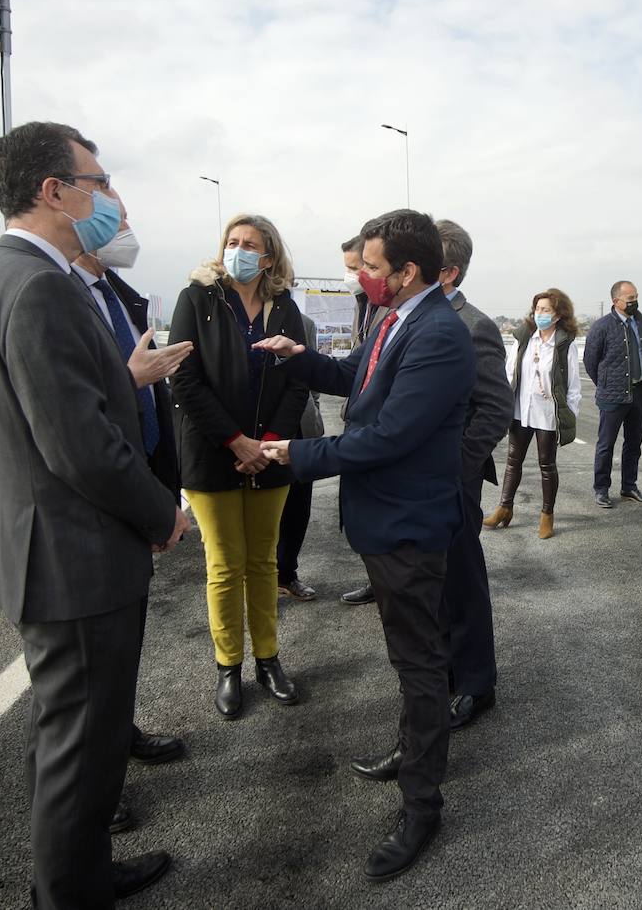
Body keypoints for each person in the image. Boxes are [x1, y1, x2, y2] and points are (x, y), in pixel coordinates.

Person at [0, 120, 186, 906]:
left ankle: (79, 872)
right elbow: (80, 447)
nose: (107, 196)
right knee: (80, 751)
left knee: (73, 741)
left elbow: (60, 412)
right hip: (76, 559)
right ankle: (69, 893)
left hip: (48, 552)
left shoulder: (1, 275)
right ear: (53, 190)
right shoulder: (41, 286)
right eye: (96, 181)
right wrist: (164, 514)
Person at [256, 209, 475, 882]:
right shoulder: (393, 316)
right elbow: (359, 376)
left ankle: (422, 805)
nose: (364, 277)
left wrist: (294, 454)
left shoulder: (438, 333)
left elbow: (387, 436)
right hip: (383, 520)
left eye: (373, 268)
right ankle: (412, 753)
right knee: (407, 654)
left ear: (408, 272)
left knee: (418, 663)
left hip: (408, 524)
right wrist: (303, 361)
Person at [72, 215, 192, 832]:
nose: (122, 229)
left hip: (136, 479)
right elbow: (78, 417)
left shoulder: (114, 293)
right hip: (95, 504)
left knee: (122, 650)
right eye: (110, 213)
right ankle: (92, 792)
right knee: (83, 681)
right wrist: (130, 379)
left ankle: (118, 737)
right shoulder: (53, 292)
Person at [169, 213, 309, 719]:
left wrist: (266, 443)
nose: (239, 250)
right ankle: (228, 666)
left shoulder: (286, 308)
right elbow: (183, 379)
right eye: (232, 242)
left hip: (269, 455)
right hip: (212, 452)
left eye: (250, 244)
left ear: (268, 256)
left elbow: (297, 381)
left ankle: (268, 659)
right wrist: (236, 442)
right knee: (224, 565)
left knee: (263, 562)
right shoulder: (198, 300)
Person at [434, 219, 514, 730]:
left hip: (452, 480)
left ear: (448, 270)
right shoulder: (398, 316)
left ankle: (475, 683)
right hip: (418, 482)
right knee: (435, 584)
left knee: (462, 581)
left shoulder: (474, 325)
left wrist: (458, 469)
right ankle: (443, 669)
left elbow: (494, 409)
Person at [485, 289, 582, 539]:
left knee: (546, 465)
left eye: (546, 310)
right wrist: (505, 402)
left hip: (548, 413)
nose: (539, 314)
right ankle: (504, 508)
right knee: (512, 461)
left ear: (558, 315)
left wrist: (568, 415)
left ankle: (546, 515)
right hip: (521, 410)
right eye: (537, 309)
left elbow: (573, 385)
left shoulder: (564, 344)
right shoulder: (524, 338)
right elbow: (510, 372)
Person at [583, 280, 642, 508]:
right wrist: (604, 384)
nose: (635, 302)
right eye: (630, 299)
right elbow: (590, 361)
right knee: (606, 444)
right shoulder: (602, 326)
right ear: (616, 301)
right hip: (613, 396)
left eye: (636, 297)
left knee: (634, 445)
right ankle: (601, 489)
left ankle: (629, 487)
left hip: (640, 393)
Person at [275, 313, 325, 601]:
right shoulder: (234, 314)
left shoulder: (303, 323)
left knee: (297, 508)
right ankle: (257, 581)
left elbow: (312, 376)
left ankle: (286, 574)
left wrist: (314, 407)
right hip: (257, 432)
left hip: (299, 429)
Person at [339, 235, 377, 607]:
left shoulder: (383, 307)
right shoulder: (361, 304)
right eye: (348, 268)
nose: (351, 275)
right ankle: (375, 579)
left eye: (356, 267)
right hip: (358, 416)